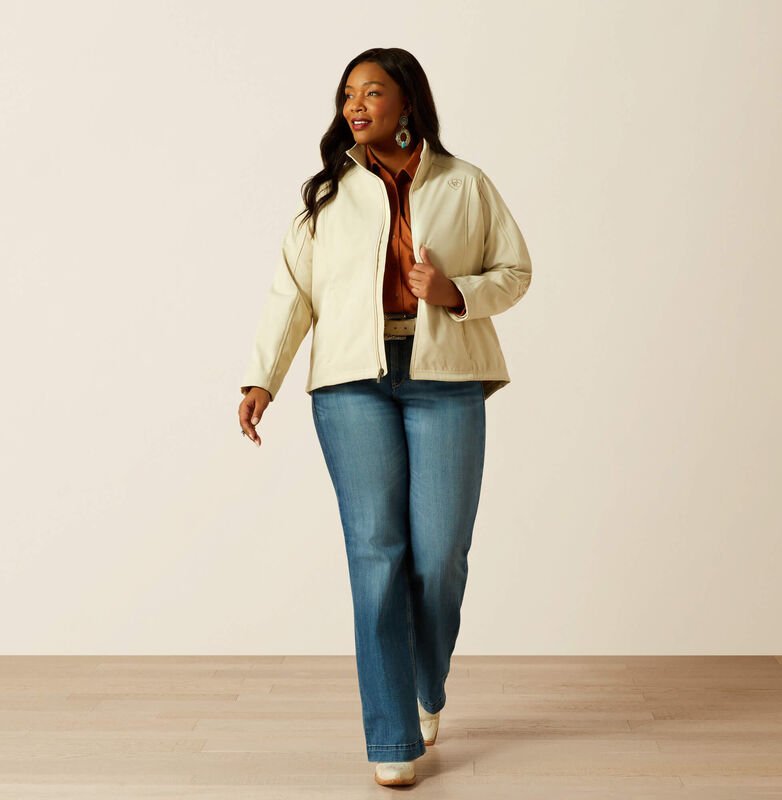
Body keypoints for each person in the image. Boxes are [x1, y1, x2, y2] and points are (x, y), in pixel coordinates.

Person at [238, 47, 532, 787]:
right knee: (377, 556)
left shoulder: (467, 185)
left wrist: (454, 291)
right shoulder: (325, 197)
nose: (356, 105)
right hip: (350, 385)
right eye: (346, 96)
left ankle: (426, 685)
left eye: (372, 92)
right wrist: (262, 379)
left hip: (446, 379)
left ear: (408, 103)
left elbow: (516, 269)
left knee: (439, 557)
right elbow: (291, 293)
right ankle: (394, 733)